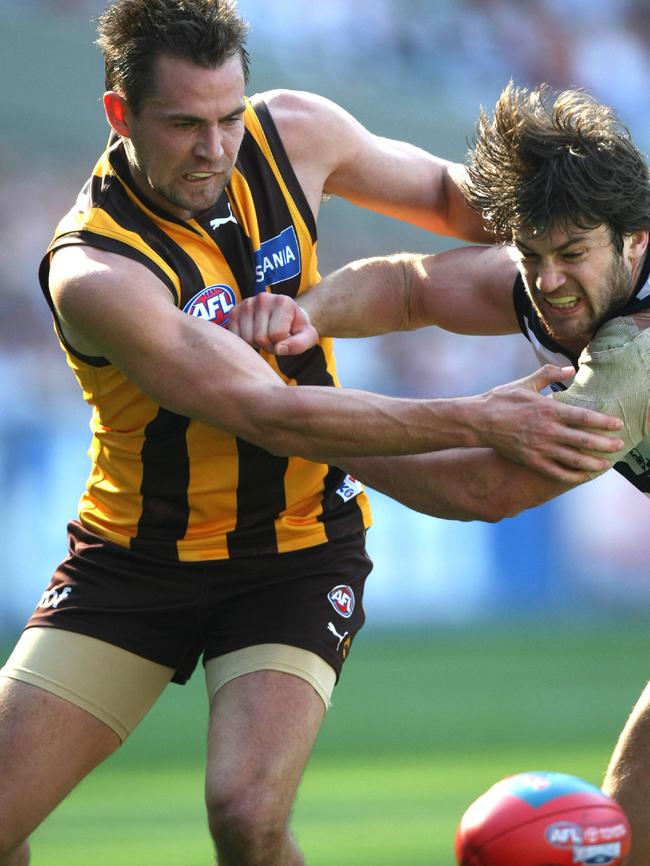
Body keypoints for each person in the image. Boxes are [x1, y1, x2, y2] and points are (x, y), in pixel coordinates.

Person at [0, 7, 625, 864]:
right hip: (135, 556)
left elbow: (455, 200)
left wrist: (596, 231)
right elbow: (269, 411)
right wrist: (478, 414)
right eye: (185, 124)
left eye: (229, 116)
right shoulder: (96, 272)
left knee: (245, 811)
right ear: (121, 114)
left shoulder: (293, 131)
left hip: (295, 547)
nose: (217, 147)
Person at [229, 80, 650, 864]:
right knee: (618, 838)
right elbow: (408, 287)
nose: (549, 280)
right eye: (532, 255)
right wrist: (301, 318)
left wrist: (305, 426)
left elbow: (486, 489)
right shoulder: (563, 282)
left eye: (571, 255)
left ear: (636, 241)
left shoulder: (636, 358)